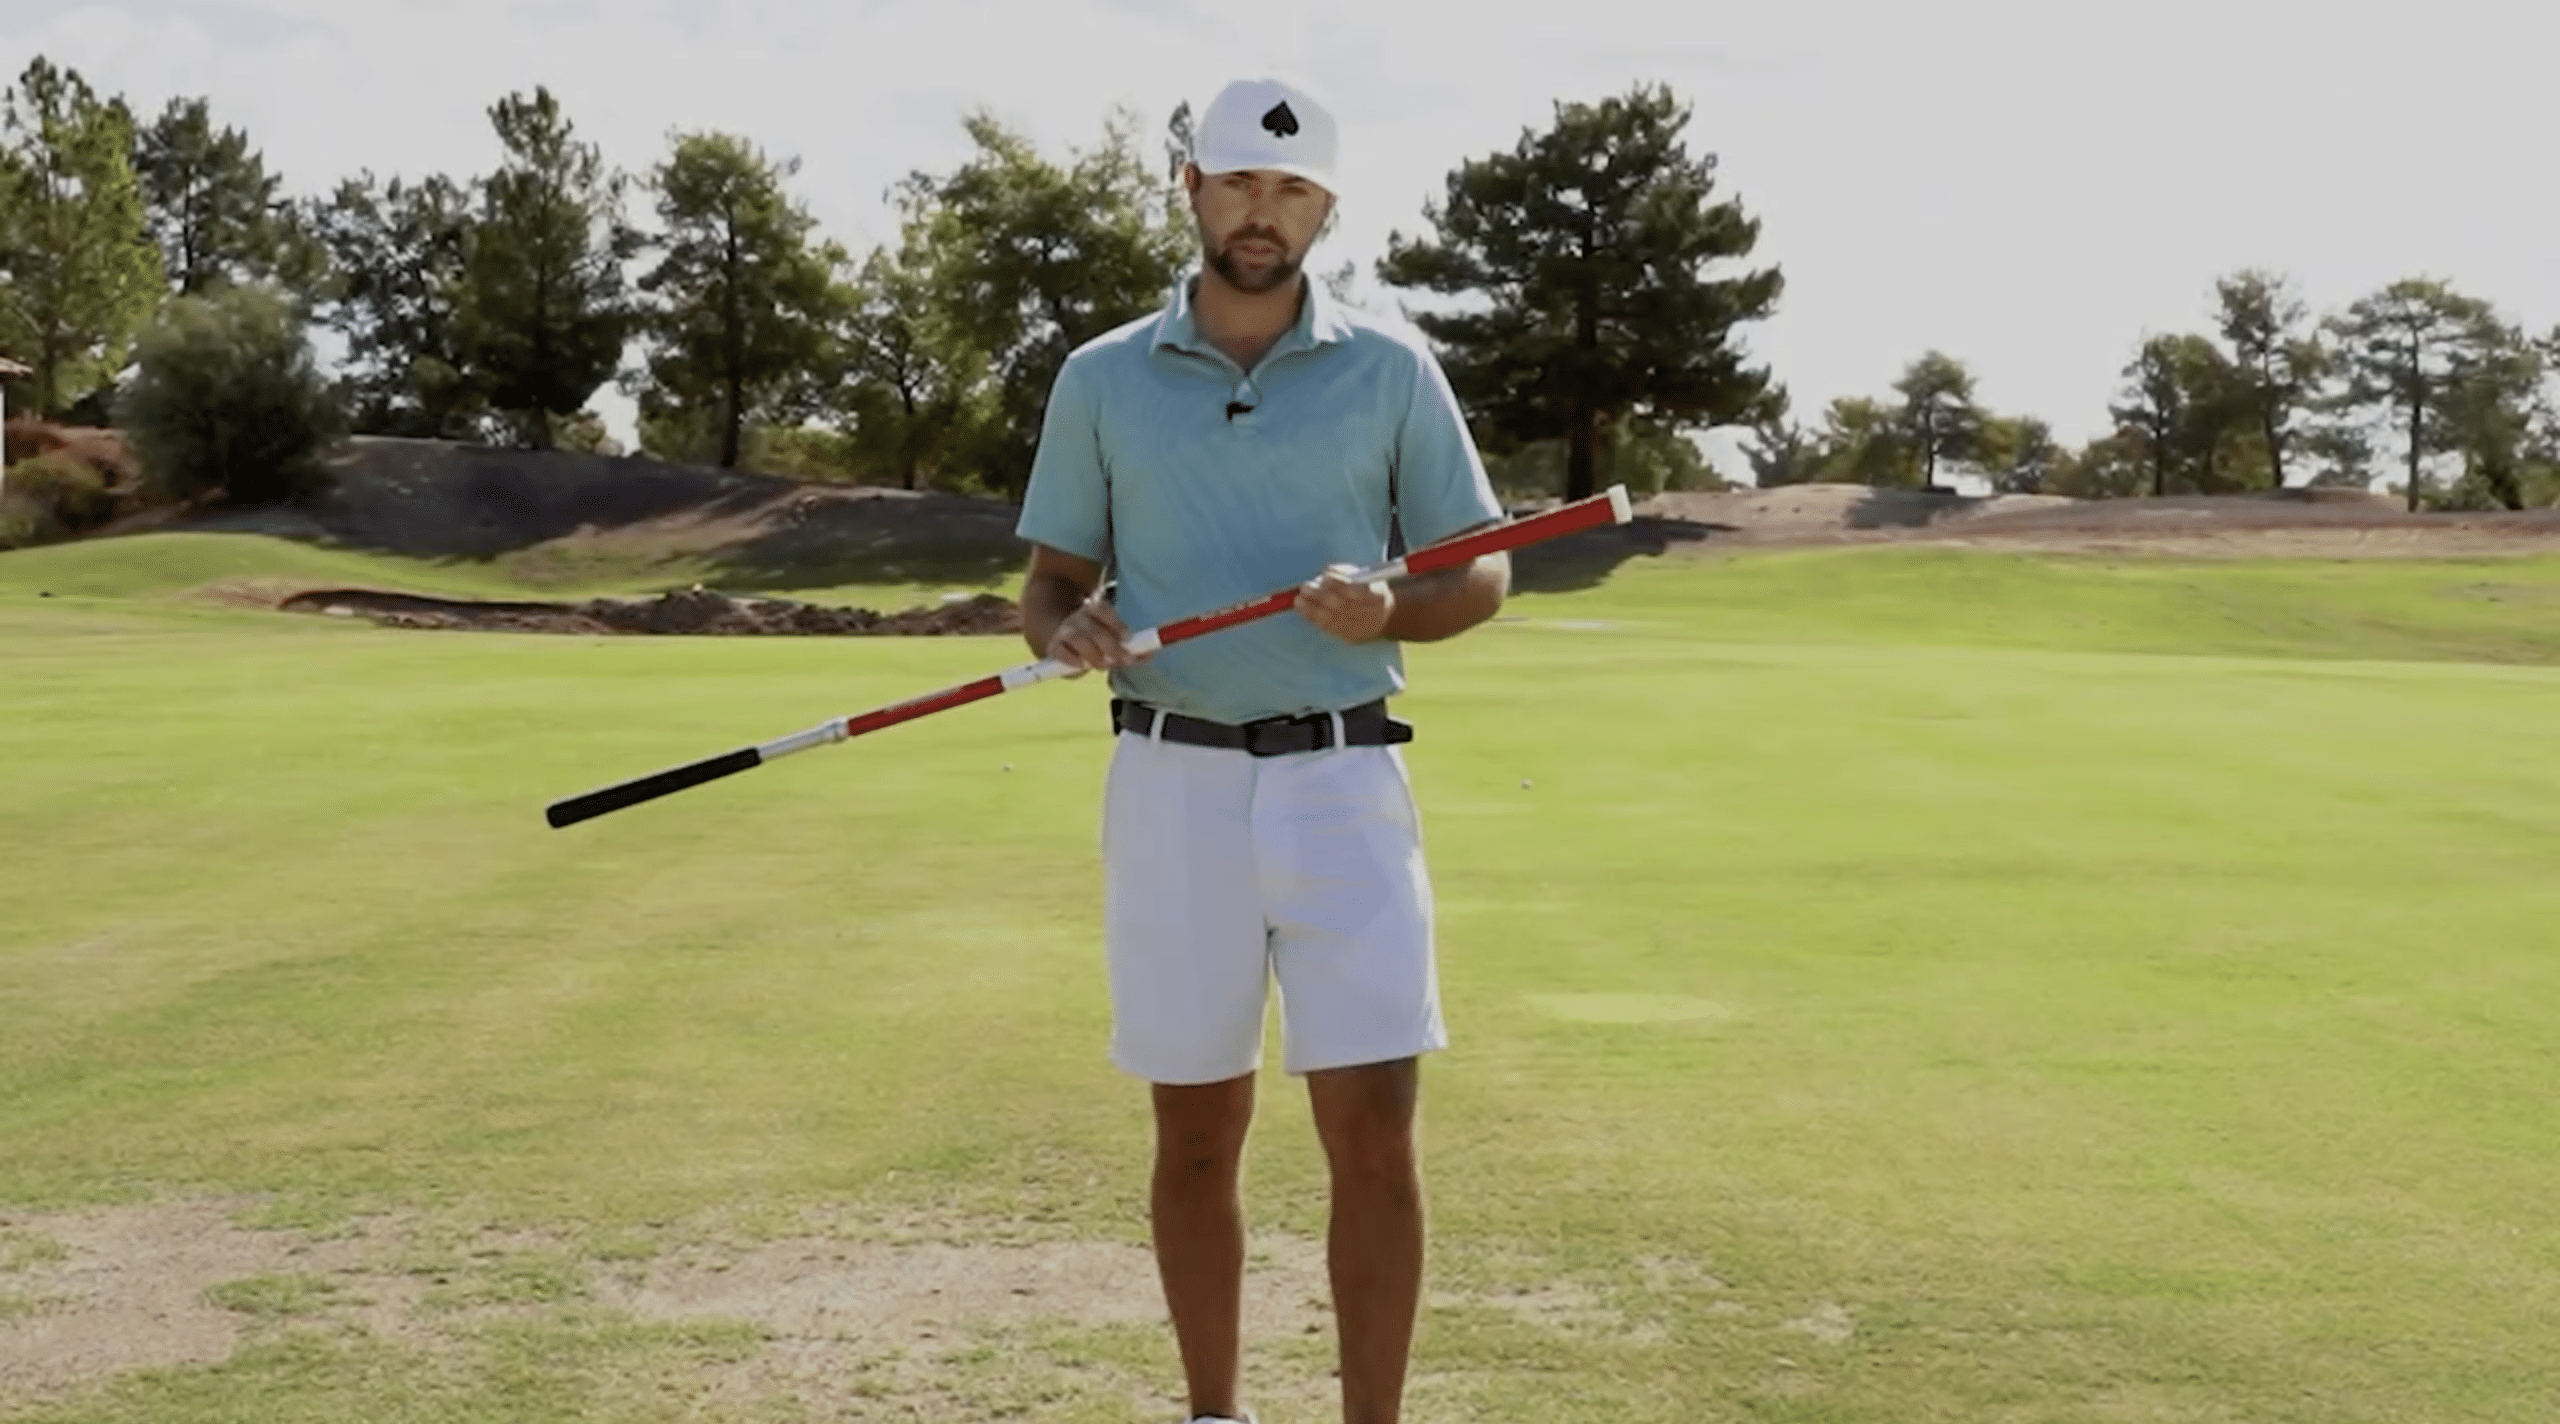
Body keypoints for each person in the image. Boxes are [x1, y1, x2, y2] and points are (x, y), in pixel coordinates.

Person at [1012, 75, 1510, 1424]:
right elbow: (1051, 582)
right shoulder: (1102, 377)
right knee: (1194, 1135)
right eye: (1236, 183)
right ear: (1190, 189)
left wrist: (1393, 607)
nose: (1260, 213)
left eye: (1290, 191)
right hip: (1173, 780)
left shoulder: (1394, 369)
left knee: (1376, 1141)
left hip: (1344, 781)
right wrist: (1074, 632)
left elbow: (1481, 575)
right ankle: (1214, 1415)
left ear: (1325, 208)